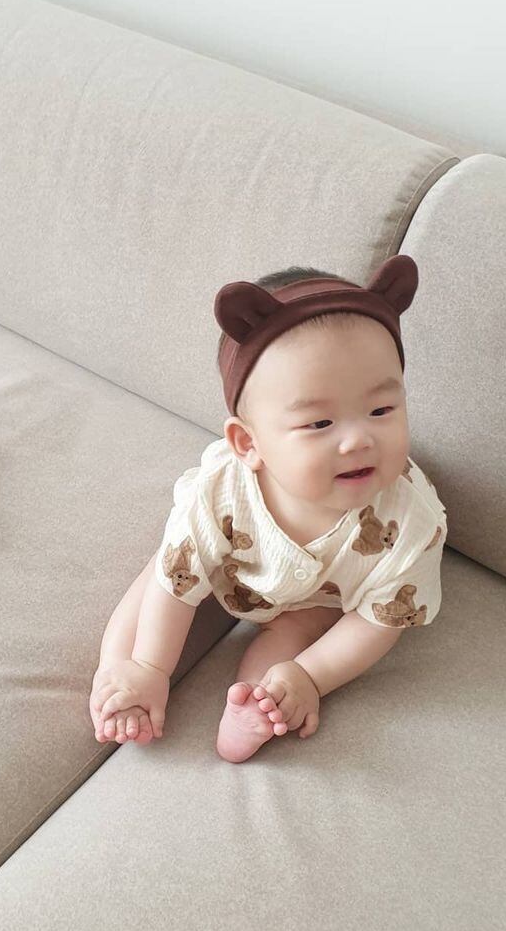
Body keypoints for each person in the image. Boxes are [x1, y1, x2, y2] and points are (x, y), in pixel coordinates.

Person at [89, 253, 448, 763]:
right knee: (163, 580)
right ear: (248, 443)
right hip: (224, 564)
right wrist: (152, 663)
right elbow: (176, 584)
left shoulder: (411, 523)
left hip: (314, 601)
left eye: (381, 409)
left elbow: (379, 620)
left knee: (293, 647)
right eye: (319, 423)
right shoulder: (221, 491)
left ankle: (252, 711)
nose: (358, 440)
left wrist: (311, 676)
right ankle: (124, 673)